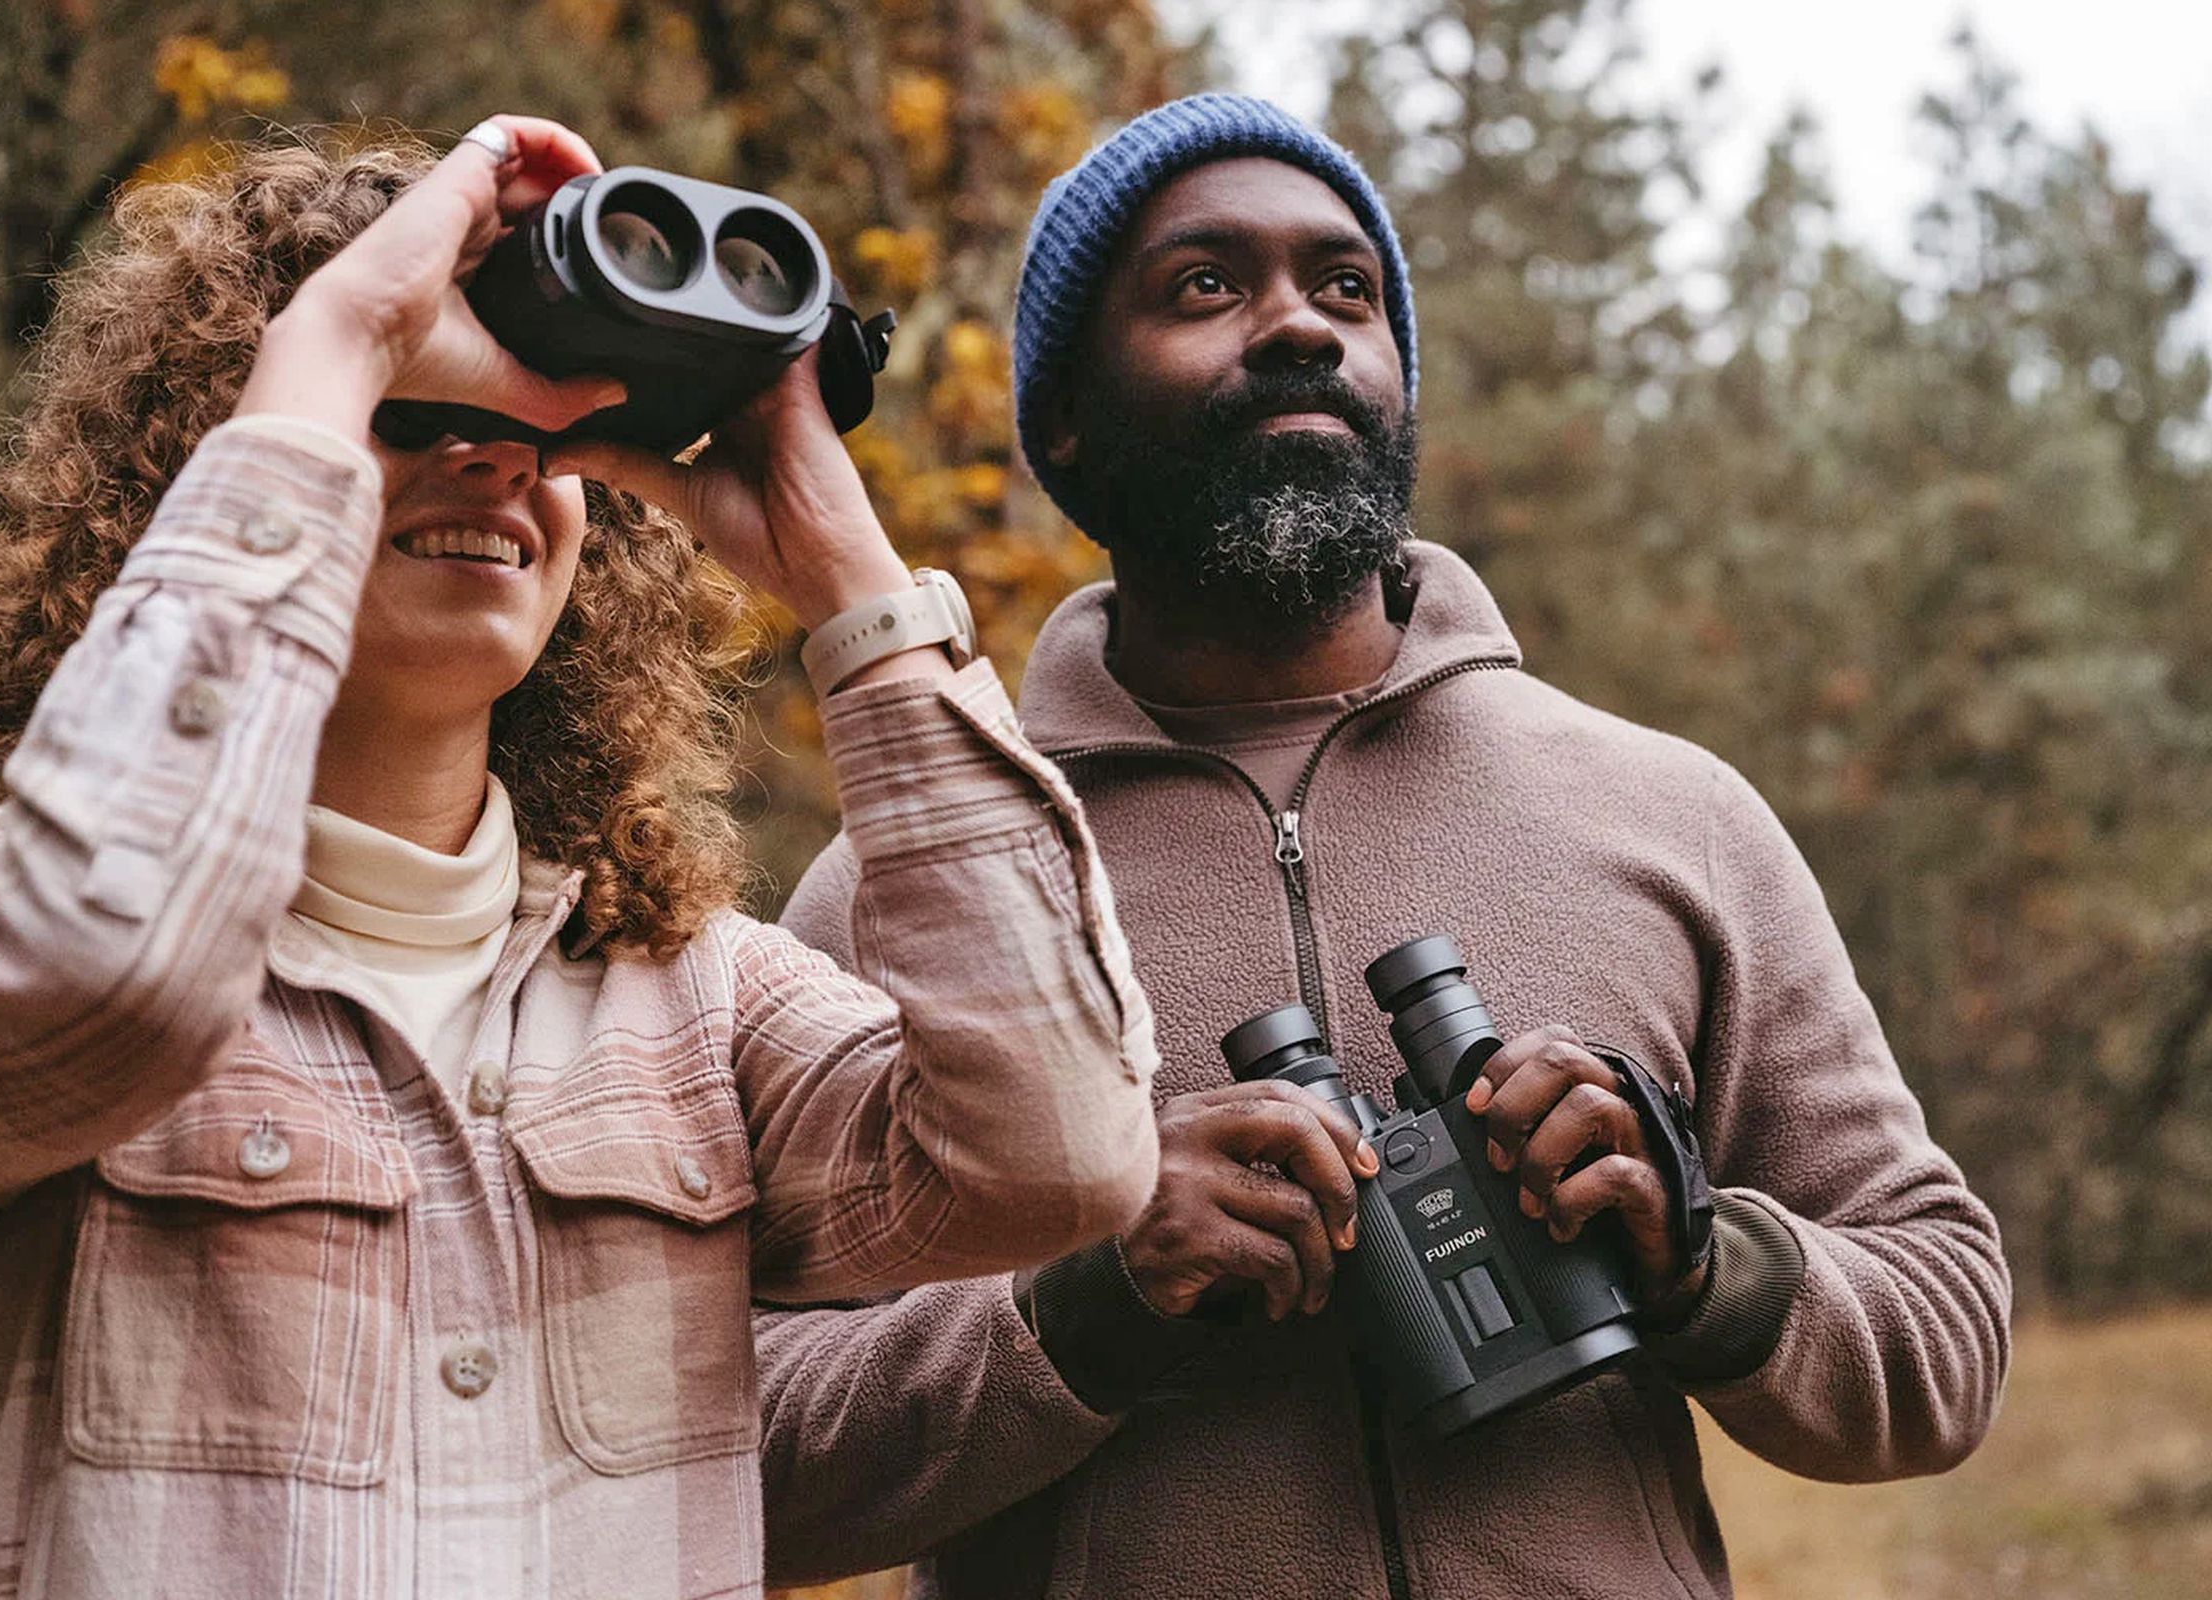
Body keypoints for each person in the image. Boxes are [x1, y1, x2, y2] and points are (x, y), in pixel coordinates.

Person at [0, 116, 1157, 1600]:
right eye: (408, 410)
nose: (490, 465)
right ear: (218, 468)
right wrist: (339, 336)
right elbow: (114, 972)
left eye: (540, 437)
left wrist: (846, 571)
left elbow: (1062, 1154)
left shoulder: (694, 1004)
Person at [754, 94, 2012, 1600]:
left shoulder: (1673, 815)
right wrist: (1081, 1313)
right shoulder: (911, 889)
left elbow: (1947, 1331)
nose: (1298, 326)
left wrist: (1700, 1260)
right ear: (1066, 420)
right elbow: (725, 1449)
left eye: (1345, 288)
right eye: (1205, 286)